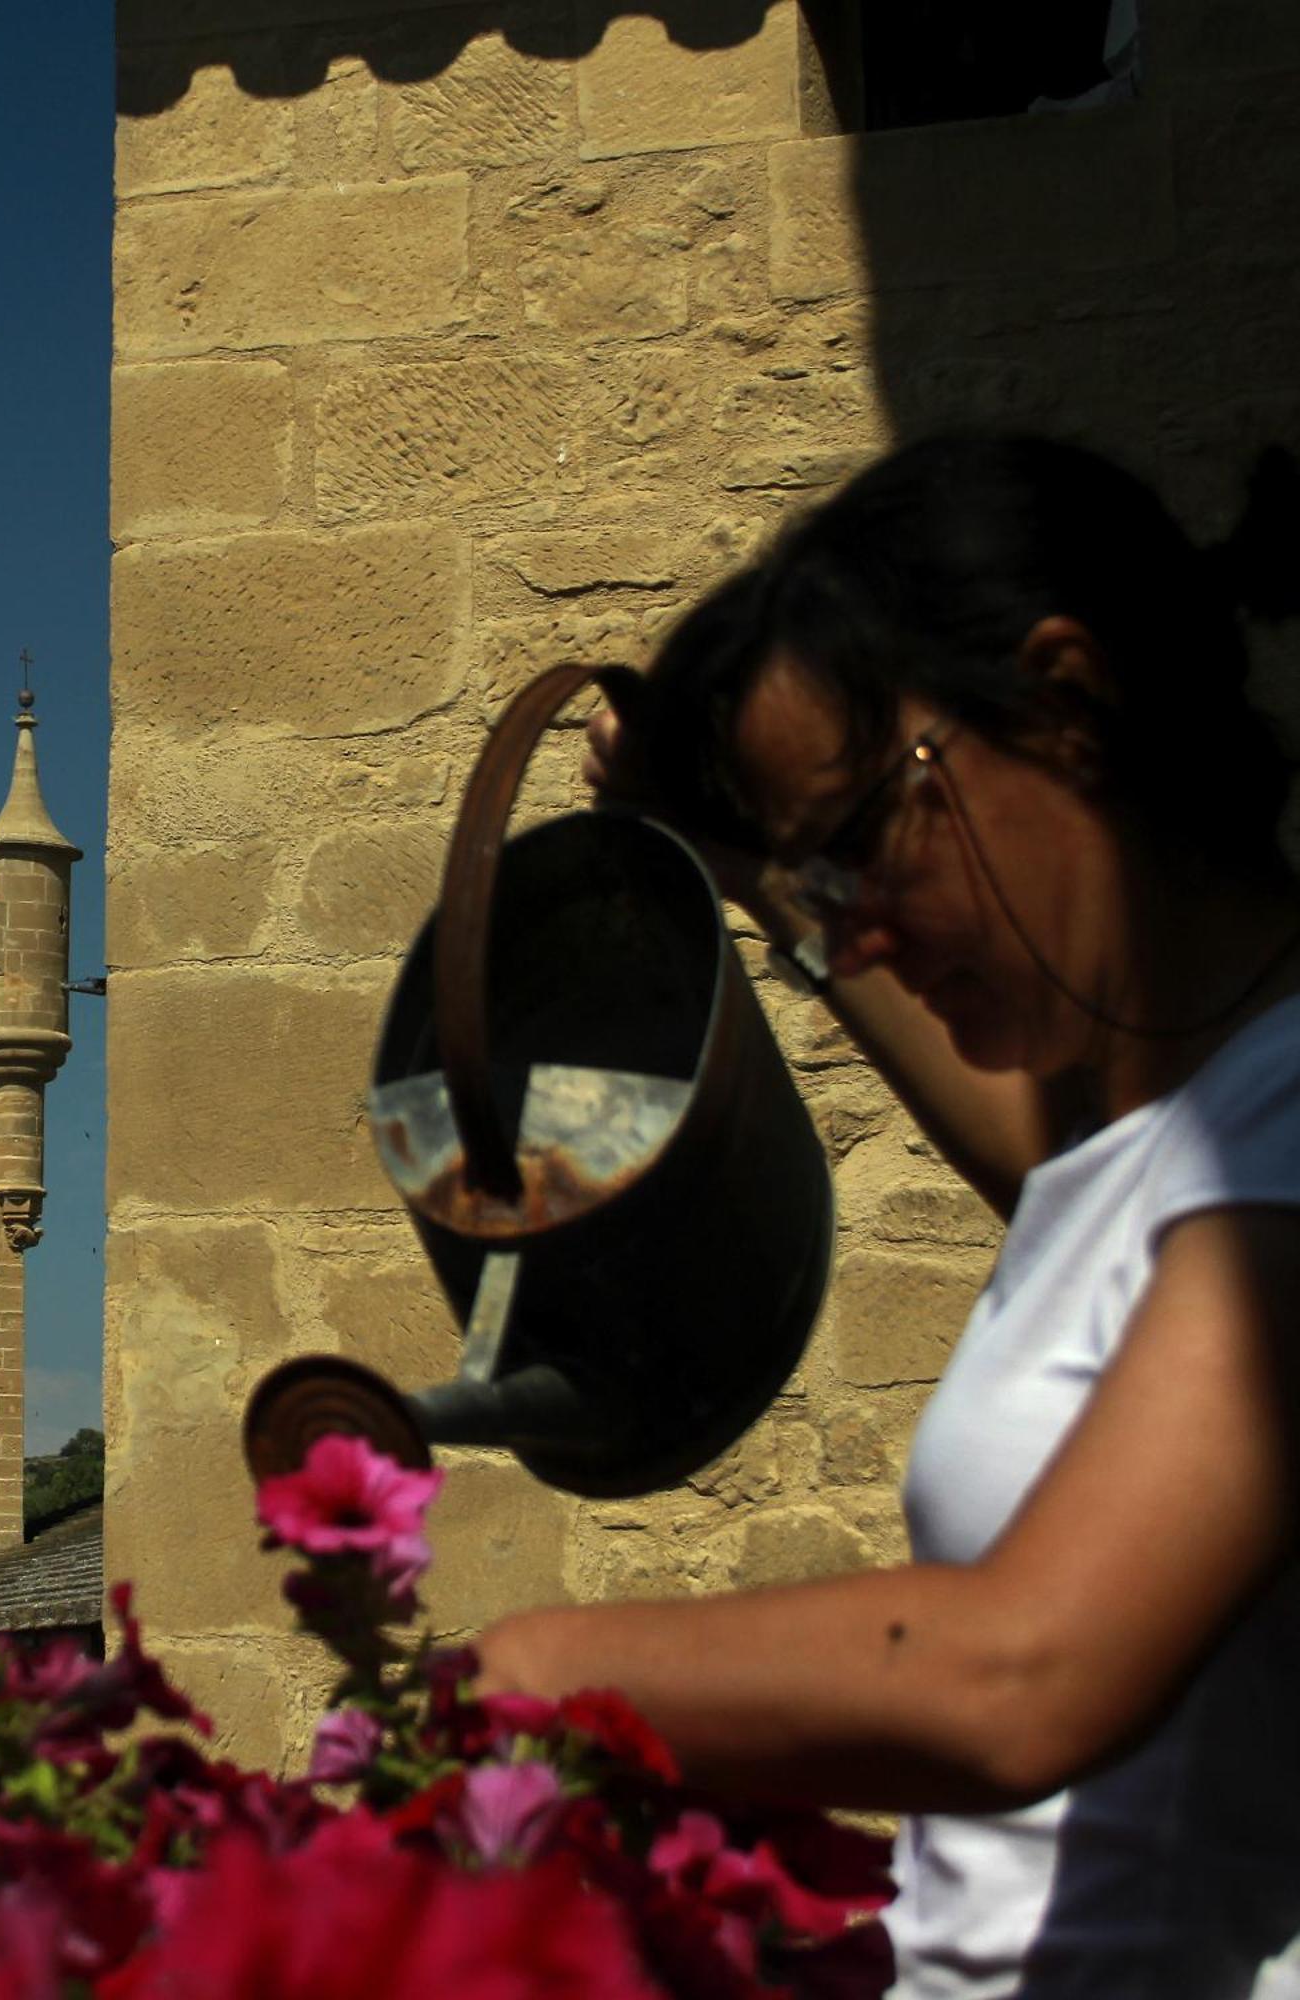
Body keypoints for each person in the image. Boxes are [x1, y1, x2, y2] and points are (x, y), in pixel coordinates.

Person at [473, 435, 1300, 1997]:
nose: (854, 934)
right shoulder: (1152, 1138)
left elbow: (1021, 1676)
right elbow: (1049, 1163)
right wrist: (748, 870)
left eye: (861, 843)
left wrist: (540, 1667)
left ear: (1064, 705)